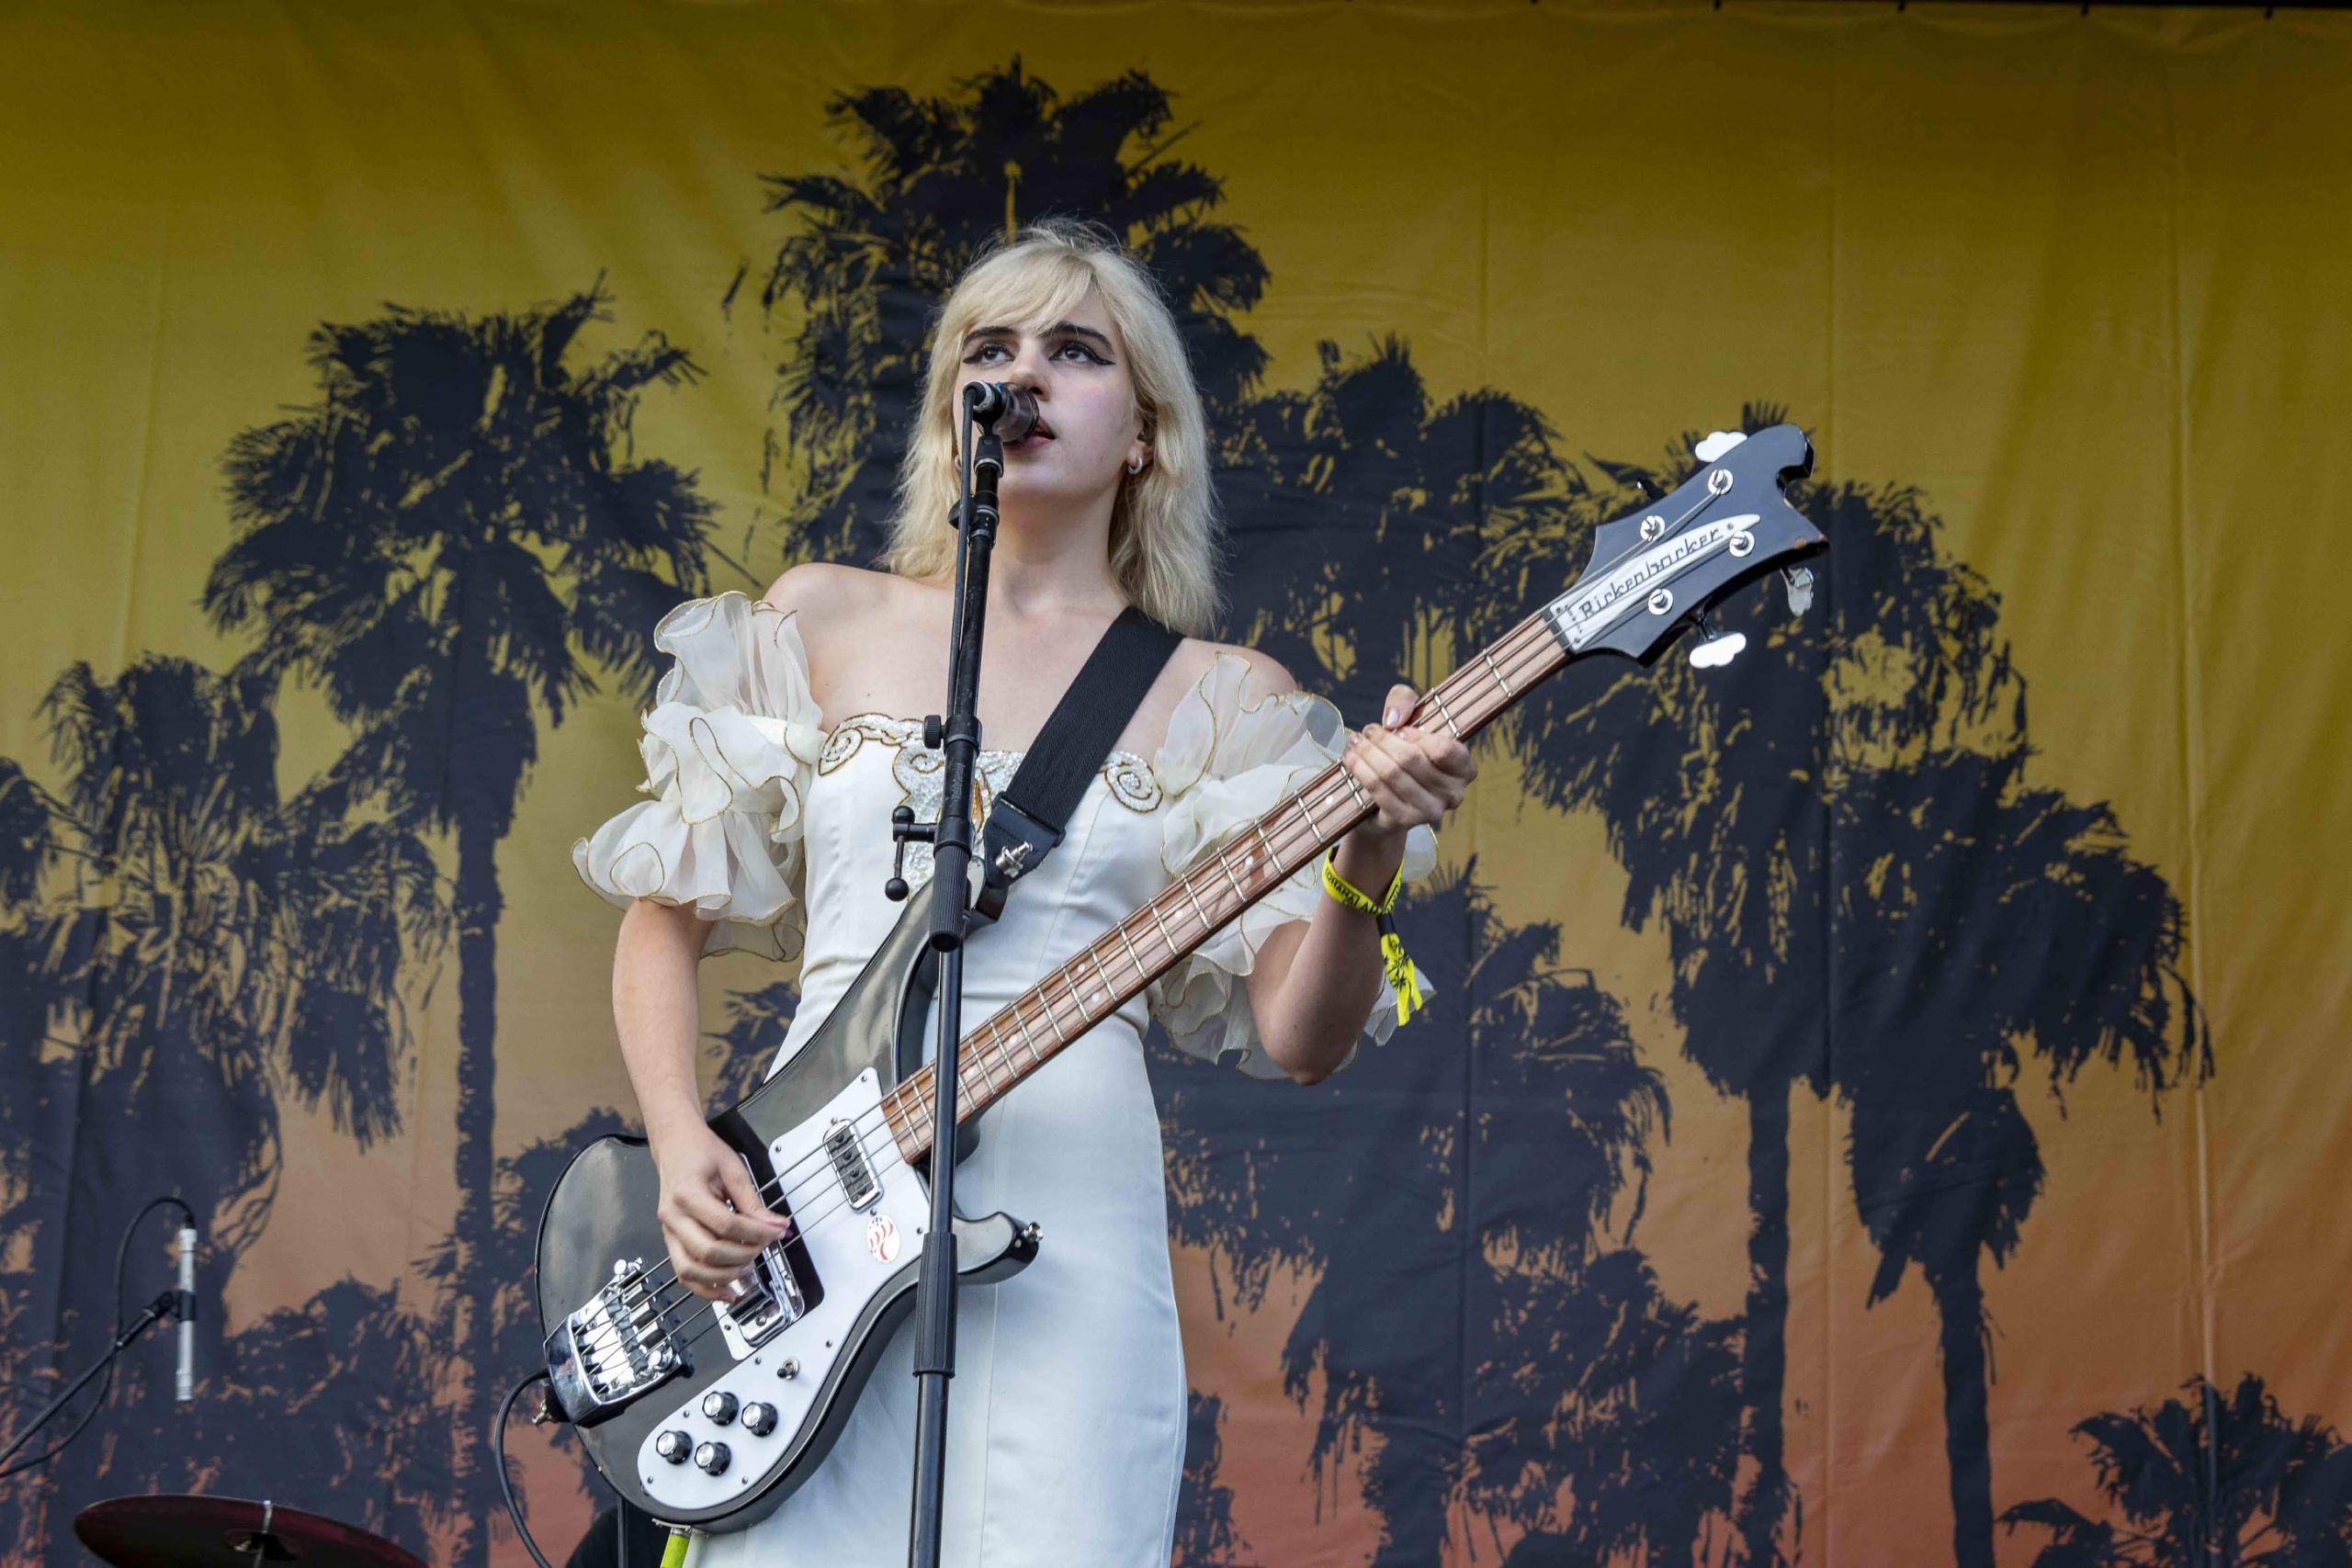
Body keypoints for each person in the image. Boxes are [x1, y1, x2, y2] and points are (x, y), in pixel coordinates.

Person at [573, 219, 1475, 1566]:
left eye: (1074, 349)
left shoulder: (1225, 699)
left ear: (1147, 431)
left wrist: (1366, 854)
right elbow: (663, 923)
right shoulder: (819, 619)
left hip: (1071, 1236)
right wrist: (678, 1144)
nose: (1024, 375)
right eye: (988, 348)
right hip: (811, 1215)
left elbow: (1303, 1036)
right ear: (955, 409)